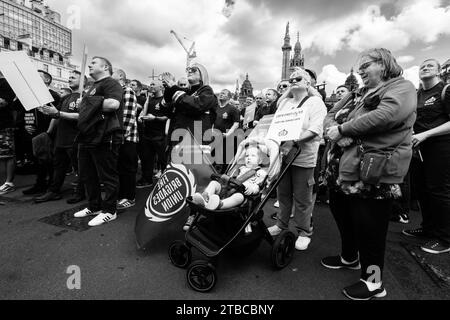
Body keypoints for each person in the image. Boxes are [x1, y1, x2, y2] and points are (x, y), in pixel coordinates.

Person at [322, 48, 416, 300]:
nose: (361, 69)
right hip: (341, 170)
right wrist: (334, 129)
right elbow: (329, 116)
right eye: (359, 66)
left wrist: (342, 130)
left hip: (372, 172)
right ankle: (349, 257)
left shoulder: (402, 87)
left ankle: (373, 281)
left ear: (384, 65)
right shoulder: (357, 93)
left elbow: (386, 115)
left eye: (367, 64)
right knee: (342, 215)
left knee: (371, 231)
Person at [267, 68, 327, 251]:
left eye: (298, 78)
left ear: (308, 83)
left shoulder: (316, 102)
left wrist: (294, 139)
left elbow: (316, 130)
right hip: (284, 156)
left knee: (302, 198)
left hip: (303, 157)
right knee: (283, 195)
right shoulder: (284, 102)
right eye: (290, 78)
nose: (293, 81)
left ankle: (303, 231)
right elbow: (276, 126)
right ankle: (281, 224)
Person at [403, 58, 450, 254]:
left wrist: (426, 134)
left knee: (440, 191)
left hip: (440, 147)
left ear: (439, 71)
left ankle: (445, 238)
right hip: (417, 149)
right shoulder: (416, 94)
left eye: (430, 65)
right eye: (422, 65)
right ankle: (428, 227)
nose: (425, 67)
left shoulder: (445, 91)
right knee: (422, 189)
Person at [73, 56, 124, 227]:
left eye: (93, 63)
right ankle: (94, 206)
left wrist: (87, 103)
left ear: (105, 67)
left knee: (107, 175)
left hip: (105, 136)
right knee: (87, 174)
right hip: (88, 135)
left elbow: (113, 104)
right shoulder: (92, 87)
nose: (89, 65)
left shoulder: (111, 83)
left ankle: (110, 211)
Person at [34, 71, 86, 204]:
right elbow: (56, 115)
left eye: (73, 77)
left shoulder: (84, 96)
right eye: (69, 77)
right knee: (58, 166)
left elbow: (81, 116)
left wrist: (58, 113)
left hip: (75, 138)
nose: (69, 79)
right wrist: (48, 114)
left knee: (79, 168)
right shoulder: (66, 97)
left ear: (82, 81)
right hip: (61, 138)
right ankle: (53, 191)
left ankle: (81, 192)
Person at [21, 70, 61, 196]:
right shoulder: (31, 96)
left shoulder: (54, 95)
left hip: (49, 131)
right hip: (34, 132)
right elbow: (27, 112)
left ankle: (51, 186)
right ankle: (40, 184)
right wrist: (27, 125)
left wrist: (49, 131)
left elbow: (57, 115)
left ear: (47, 80)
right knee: (37, 159)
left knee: (49, 159)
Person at [192, 145, 267, 210]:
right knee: (214, 183)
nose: (249, 158)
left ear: (260, 160)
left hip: (241, 192)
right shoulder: (241, 168)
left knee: (239, 197)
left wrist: (251, 189)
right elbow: (230, 176)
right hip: (227, 188)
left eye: (253, 156)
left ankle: (219, 204)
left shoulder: (261, 172)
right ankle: (205, 198)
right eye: (247, 156)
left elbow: (258, 186)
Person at [162, 62, 218, 146]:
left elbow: (195, 106)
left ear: (202, 75)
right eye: (188, 69)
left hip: (197, 142)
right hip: (180, 140)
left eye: (193, 70)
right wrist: (168, 88)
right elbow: (169, 112)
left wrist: (173, 88)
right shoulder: (185, 92)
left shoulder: (207, 92)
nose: (189, 71)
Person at [112, 69, 139, 211]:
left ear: (121, 76)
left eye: (113, 74)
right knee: (119, 167)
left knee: (127, 168)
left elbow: (128, 116)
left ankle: (129, 197)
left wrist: (121, 135)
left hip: (126, 137)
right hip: (117, 136)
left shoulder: (127, 91)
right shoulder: (114, 92)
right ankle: (122, 194)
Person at [137, 79, 170, 188]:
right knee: (146, 159)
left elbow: (167, 117)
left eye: (153, 84)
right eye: (150, 84)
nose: (150, 86)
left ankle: (166, 184)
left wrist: (154, 118)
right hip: (147, 134)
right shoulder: (149, 99)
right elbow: (144, 112)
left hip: (160, 136)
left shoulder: (165, 100)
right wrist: (142, 117)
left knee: (163, 160)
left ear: (161, 87)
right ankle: (147, 180)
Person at [214, 89, 240, 173]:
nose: (221, 94)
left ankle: (223, 176)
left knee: (225, 159)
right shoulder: (216, 108)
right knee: (214, 156)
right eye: (220, 93)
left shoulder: (232, 109)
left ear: (229, 97)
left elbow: (236, 124)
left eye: (224, 93)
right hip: (215, 136)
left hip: (227, 137)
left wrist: (229, 134)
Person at [0, 73, 18, 195]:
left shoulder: (5, 83)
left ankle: (9, 183)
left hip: (4, 125)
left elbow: (3, 102)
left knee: (7, 154)